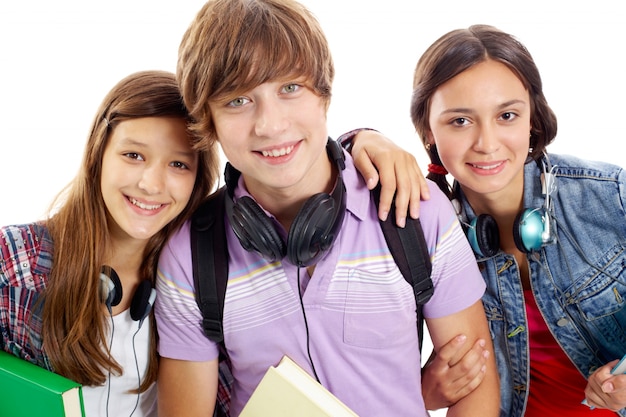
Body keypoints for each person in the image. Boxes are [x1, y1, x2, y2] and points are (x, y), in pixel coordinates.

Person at [153, 1, 500, 416]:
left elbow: (473, 384)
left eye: (289, 88)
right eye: (238, 101)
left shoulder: (417, 211)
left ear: (324, 93)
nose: (270, 125)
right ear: (207, 118)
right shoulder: (188, 254)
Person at [410, 24, 626, 416]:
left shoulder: (612, 196)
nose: (487, 143)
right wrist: (419, 394)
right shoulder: (425, 237)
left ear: (532, 118)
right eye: (460, 121)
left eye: (507, 115)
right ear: (428, 129)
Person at [0, 70, 219, 416]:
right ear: (99, 153)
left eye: (178, 164)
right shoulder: (15, 260)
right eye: (133, 155)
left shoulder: (198, 283)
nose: (151, 184)